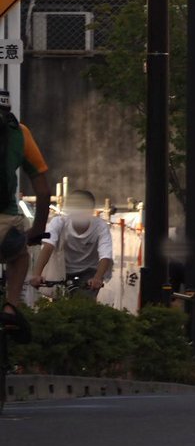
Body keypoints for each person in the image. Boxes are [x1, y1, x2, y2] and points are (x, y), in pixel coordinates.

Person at [0, 90, 50, 339]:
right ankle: (10, 307)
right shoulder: (20, 132)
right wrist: (38, 229)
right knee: (18, 256)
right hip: (6, 223)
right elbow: (42, 190)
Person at [29, 190, 112, 301]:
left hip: (89, 271)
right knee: (59, 305)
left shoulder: (100, 226)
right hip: (62, 270)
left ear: (91, 210)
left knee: (84, 304)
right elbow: (48, 246)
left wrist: (97, 278)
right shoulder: (59, 222)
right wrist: (37, 274)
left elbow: (105, 255)